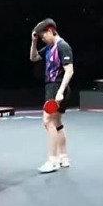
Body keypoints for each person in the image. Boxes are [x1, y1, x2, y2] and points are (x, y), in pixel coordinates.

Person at [29, 18, 74, 173]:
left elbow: (69, 70)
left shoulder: (62, 46)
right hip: (52, 87)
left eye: (43, 36)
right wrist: (34, 42)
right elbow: (33, 58)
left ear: (50, 30)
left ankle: (52, 161)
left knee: (48, 121)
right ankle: (63, 157)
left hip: (57, 87)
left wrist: (60, 91)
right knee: (57, 122)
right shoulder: (49, 47)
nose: (42, 39)